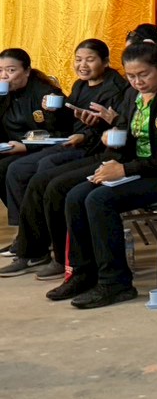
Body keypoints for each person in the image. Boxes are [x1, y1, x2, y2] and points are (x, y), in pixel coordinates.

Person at [46, 41, 157, 308]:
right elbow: (124, 131)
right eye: (131, 76)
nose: (137, 82)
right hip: (138, 168)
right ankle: (83, 273)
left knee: (99, 200)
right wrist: (112, 141)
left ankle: (115, 283)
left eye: (143, 74)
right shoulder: (133, 95)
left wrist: (123, 169)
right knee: (75, 195)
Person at [0, 40, 129, 279]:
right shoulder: (80, 85)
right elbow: (69, 122)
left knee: (40, 171)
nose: (82, 65)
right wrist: (55, 113)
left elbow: (117, 130)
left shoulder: (116, 89)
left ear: (105, 62)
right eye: (78, 60)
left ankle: (44, 250)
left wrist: (87, 133)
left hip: (96, 150)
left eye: (89, 59)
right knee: (26, 171)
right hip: (75, 143)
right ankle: (32, 245)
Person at [0, 49, 67, 242]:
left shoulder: (46, 94)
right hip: (12, 148)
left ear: (27, 71)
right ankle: (27, 231)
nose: (4, 76)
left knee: (10, 169)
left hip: (42, 149)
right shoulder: (4, 95)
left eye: (11, 70)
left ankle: (31, 235)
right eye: (0, 70)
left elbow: (60, 133)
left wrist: (27, 147)